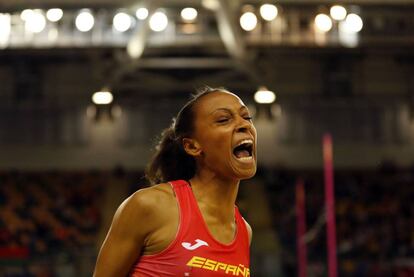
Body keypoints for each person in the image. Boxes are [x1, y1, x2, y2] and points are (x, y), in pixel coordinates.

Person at [93, 87, 257, 276]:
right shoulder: (151, 206)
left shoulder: (244, 231)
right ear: (192, 146)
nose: (244, 125)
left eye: (247, 117)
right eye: (223, 120)